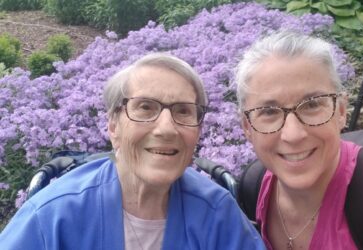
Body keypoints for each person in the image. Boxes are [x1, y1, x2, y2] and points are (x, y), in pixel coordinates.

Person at [0, 53, 265, 249]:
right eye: (145, 108)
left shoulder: (217, 214)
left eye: (183, 111)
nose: (166, 128)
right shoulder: (52, 217)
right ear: (113, 125)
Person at [235, 31, 363, 250]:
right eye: (269, 111)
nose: (293, 135)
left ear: (340, 111)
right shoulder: (253, 186)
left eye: (312, 104)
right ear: (247, 126)